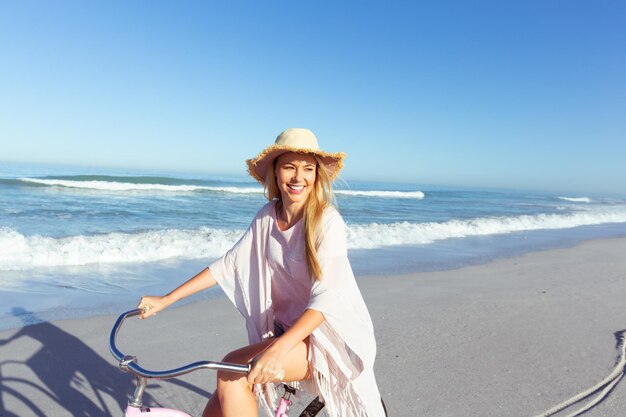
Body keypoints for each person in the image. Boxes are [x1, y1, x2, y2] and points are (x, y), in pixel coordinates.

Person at [138, 128, 385, 417]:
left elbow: (326, 300)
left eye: (307, 168)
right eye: (289, 167)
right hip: (290, 333)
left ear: (317, 175)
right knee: (219, 401)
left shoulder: (326, 221)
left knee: (233, 372)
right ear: (276, 173)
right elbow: (229, 264)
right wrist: (167, 299)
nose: (298, 177)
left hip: (328, 338)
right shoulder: (268, 215)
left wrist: (280, 349)